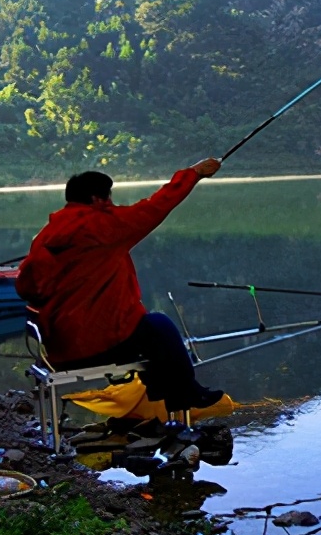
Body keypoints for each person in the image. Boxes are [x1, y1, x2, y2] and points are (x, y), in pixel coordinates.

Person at [16, 158, 224, 410]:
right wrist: (194, 173)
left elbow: (26, 288)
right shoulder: (101, 226)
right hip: (93, 347)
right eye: (108, 198)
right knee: (160, 328)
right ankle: (185, 397)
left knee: (148, 332)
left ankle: (169, 400)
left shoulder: (47, 234)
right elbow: (155, 207)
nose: (112, 204)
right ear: (96, 200)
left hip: (58, 349)